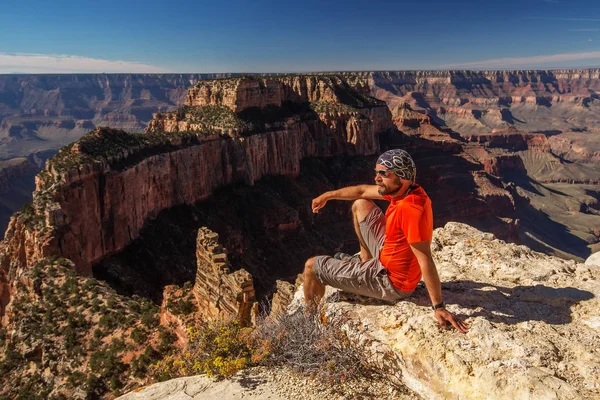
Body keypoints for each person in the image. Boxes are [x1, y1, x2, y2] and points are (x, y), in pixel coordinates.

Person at [303, 149, 469, 333]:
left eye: (383, 174)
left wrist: (438, 307)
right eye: (377, 172)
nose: (376, 178)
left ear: (402, 176)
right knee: (361, 203)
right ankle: (364, 261)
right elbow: (362, 190)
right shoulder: (404, 191)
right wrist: (327, 195)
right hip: (386, 254)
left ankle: (307, 325)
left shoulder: (410, 209)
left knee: (312, 267)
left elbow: (425, 260)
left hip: (390, 282)